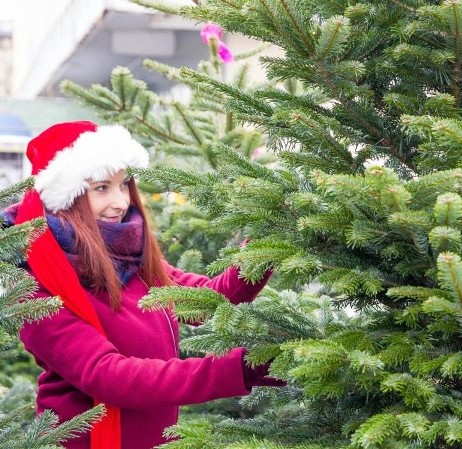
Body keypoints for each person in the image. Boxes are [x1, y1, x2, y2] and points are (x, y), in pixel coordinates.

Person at [0, 121, 284, 449]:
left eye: (124, 185)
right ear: (66, 198)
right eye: (101, 188)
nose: (120, 203)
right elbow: (109, 375)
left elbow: (210, 299)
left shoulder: (128, 254)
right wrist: (236, 370)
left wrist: (265, 248)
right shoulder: (34, 284)